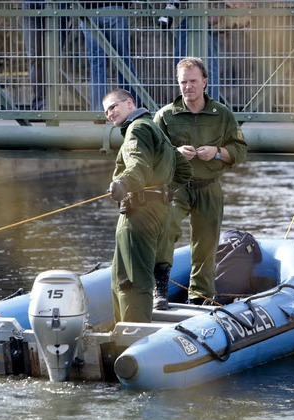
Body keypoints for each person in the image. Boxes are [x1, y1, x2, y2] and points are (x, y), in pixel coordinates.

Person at [153, 57, 248, 308]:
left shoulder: (222, 114)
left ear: (204, 82)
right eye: (183, 82)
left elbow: (239, 150)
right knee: (165, 229)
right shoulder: (165, 116)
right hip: (176, 188)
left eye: (193, 81)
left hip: (209, 188)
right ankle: (159, 289)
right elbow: (151, 151)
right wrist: (174, 152)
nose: (188, 87)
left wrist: (217, 151)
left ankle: (200, 297)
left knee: (206, 245)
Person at [103, 89, 192, 324]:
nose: (110, 113)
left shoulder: (136, 129)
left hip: (138, 213)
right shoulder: (155, 129)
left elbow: (138, 167)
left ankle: (131, 337)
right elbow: (184, 170)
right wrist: (159, 189)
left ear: (130, 103)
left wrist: (124, 183)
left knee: (130, 280)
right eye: (106, 111)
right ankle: (126, 330)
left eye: (114, 107)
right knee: (121, 277)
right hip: (159, 210)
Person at [80, 1, 143, 110]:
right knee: (122, 60)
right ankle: (130, 107)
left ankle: (99, 110)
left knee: (97, 62)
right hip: (113, 7)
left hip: (87, 8)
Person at [22, 0, 71, 110]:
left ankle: (51, 105)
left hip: (59, 5)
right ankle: (40, 106)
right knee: (36, 57)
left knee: (53, 57)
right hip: (32, 5)